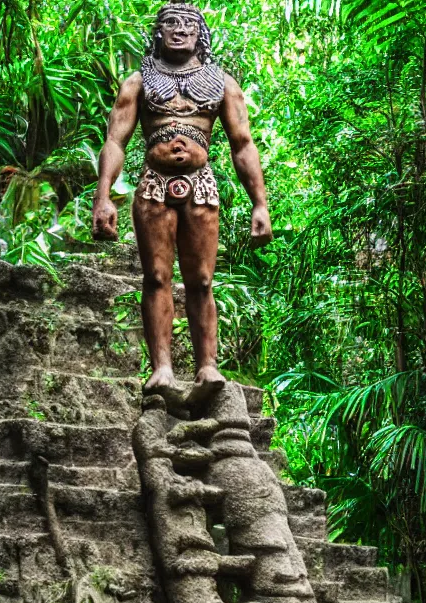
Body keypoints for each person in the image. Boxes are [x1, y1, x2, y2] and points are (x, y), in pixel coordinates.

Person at [92, 3, 272, 396]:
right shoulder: (137, 83)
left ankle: (208, 366)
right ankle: (162, 369)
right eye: (170, 23)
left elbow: (243, 144)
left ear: (200, 33)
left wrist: (260, 203)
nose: (179, 30)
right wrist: (103, 196)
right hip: (154, 185)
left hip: (201, 185)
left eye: (188, 24)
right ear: (158, 31)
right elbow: (115, 141)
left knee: (203, 280)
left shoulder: (222, 83)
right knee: (156, 277)